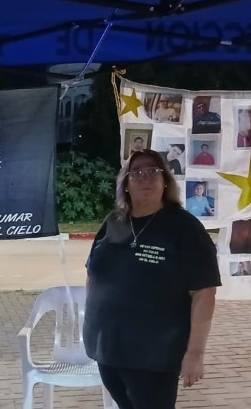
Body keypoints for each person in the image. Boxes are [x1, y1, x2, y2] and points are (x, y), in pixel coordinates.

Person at [84, 149, 220, 408]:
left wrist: (195, 353)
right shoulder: (113, 222)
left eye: (153, 171)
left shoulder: (185, 228)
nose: (145, 177)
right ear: (125, 184)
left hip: (154, 354)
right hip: (108, 349)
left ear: (165, 181)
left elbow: (204, 293)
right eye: (136, 172)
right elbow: (92, 273)